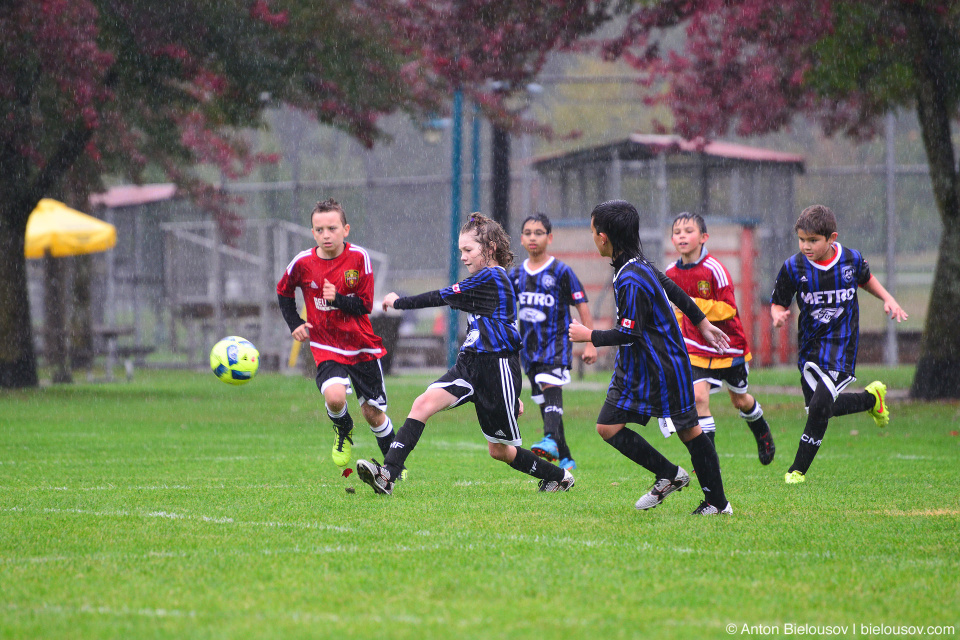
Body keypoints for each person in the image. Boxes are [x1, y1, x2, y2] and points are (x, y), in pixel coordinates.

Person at [355, 213, 574, 495]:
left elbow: (440, 296)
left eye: (468, 250)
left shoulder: (492, 277)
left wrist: (400, 302)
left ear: (490, 248)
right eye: (461, 251)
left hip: (497, 368)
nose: (463, 257)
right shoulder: (482, 280)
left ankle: (558, 477)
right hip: (469, 365)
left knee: (500, 451)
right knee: (422, 404)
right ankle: (388, 475)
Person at [568, 199, 733, 515]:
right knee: (607, 426)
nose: (593, 238)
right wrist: (702, 322)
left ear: (604, 237)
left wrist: (589, 335)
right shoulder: (635, 266)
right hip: (636, 368)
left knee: (689, 430)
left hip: (662, 366)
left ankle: (717, 503)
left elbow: (630, 333)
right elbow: (671, 287)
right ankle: (670, 475)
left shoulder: (632, 277)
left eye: (593, 232)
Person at [771, 204, 907, 484]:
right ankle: (872, 399)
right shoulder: (793, 267)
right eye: (802, 239)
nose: (806, 246)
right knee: (820, 408)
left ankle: (797, 470)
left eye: (813, 240)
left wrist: (888, 298)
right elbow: (778, 301)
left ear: (831, 238)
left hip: (842, 344)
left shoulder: (851, 260)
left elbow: (866, 280)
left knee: (821, 407)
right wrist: (778, 315)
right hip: (810, 348)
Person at [276, 198, 396, 471]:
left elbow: (366, 304)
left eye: (332, 228)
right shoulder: (303, 262)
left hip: (361, 346)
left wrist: (338, 299)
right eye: (319, 230)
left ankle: (394, 466)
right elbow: (283, 291)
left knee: (374, 414)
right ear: (312, 232)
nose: (325, 235)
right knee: (334, 397)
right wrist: (294, 322)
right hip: (326, 345)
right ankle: (343, 428)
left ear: (346, 229)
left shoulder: (359, 258)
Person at [665, 212, 776, 465]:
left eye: (688, 231)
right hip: (695, 348)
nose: (682, 236)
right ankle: (708, 462)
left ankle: (761, 431)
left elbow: (728, 308)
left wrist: (694, 305)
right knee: (699, 398)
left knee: (740, 400)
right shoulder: (670, 273)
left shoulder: (715, 269)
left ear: (704, 237)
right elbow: (673, 312)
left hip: (728, 346)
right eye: (677, 232)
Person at [510, 213, 597, 471]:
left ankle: (549, 440)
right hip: (529, 349)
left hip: (555, 344)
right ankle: (565, 456)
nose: (533, 237)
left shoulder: (561, 272)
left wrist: (590, 342)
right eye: (528, 233)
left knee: (551, 389)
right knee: (546, 404)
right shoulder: (516, 276)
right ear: (522, 239)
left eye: (538, 233)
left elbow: (582, 306)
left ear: (549, 238)